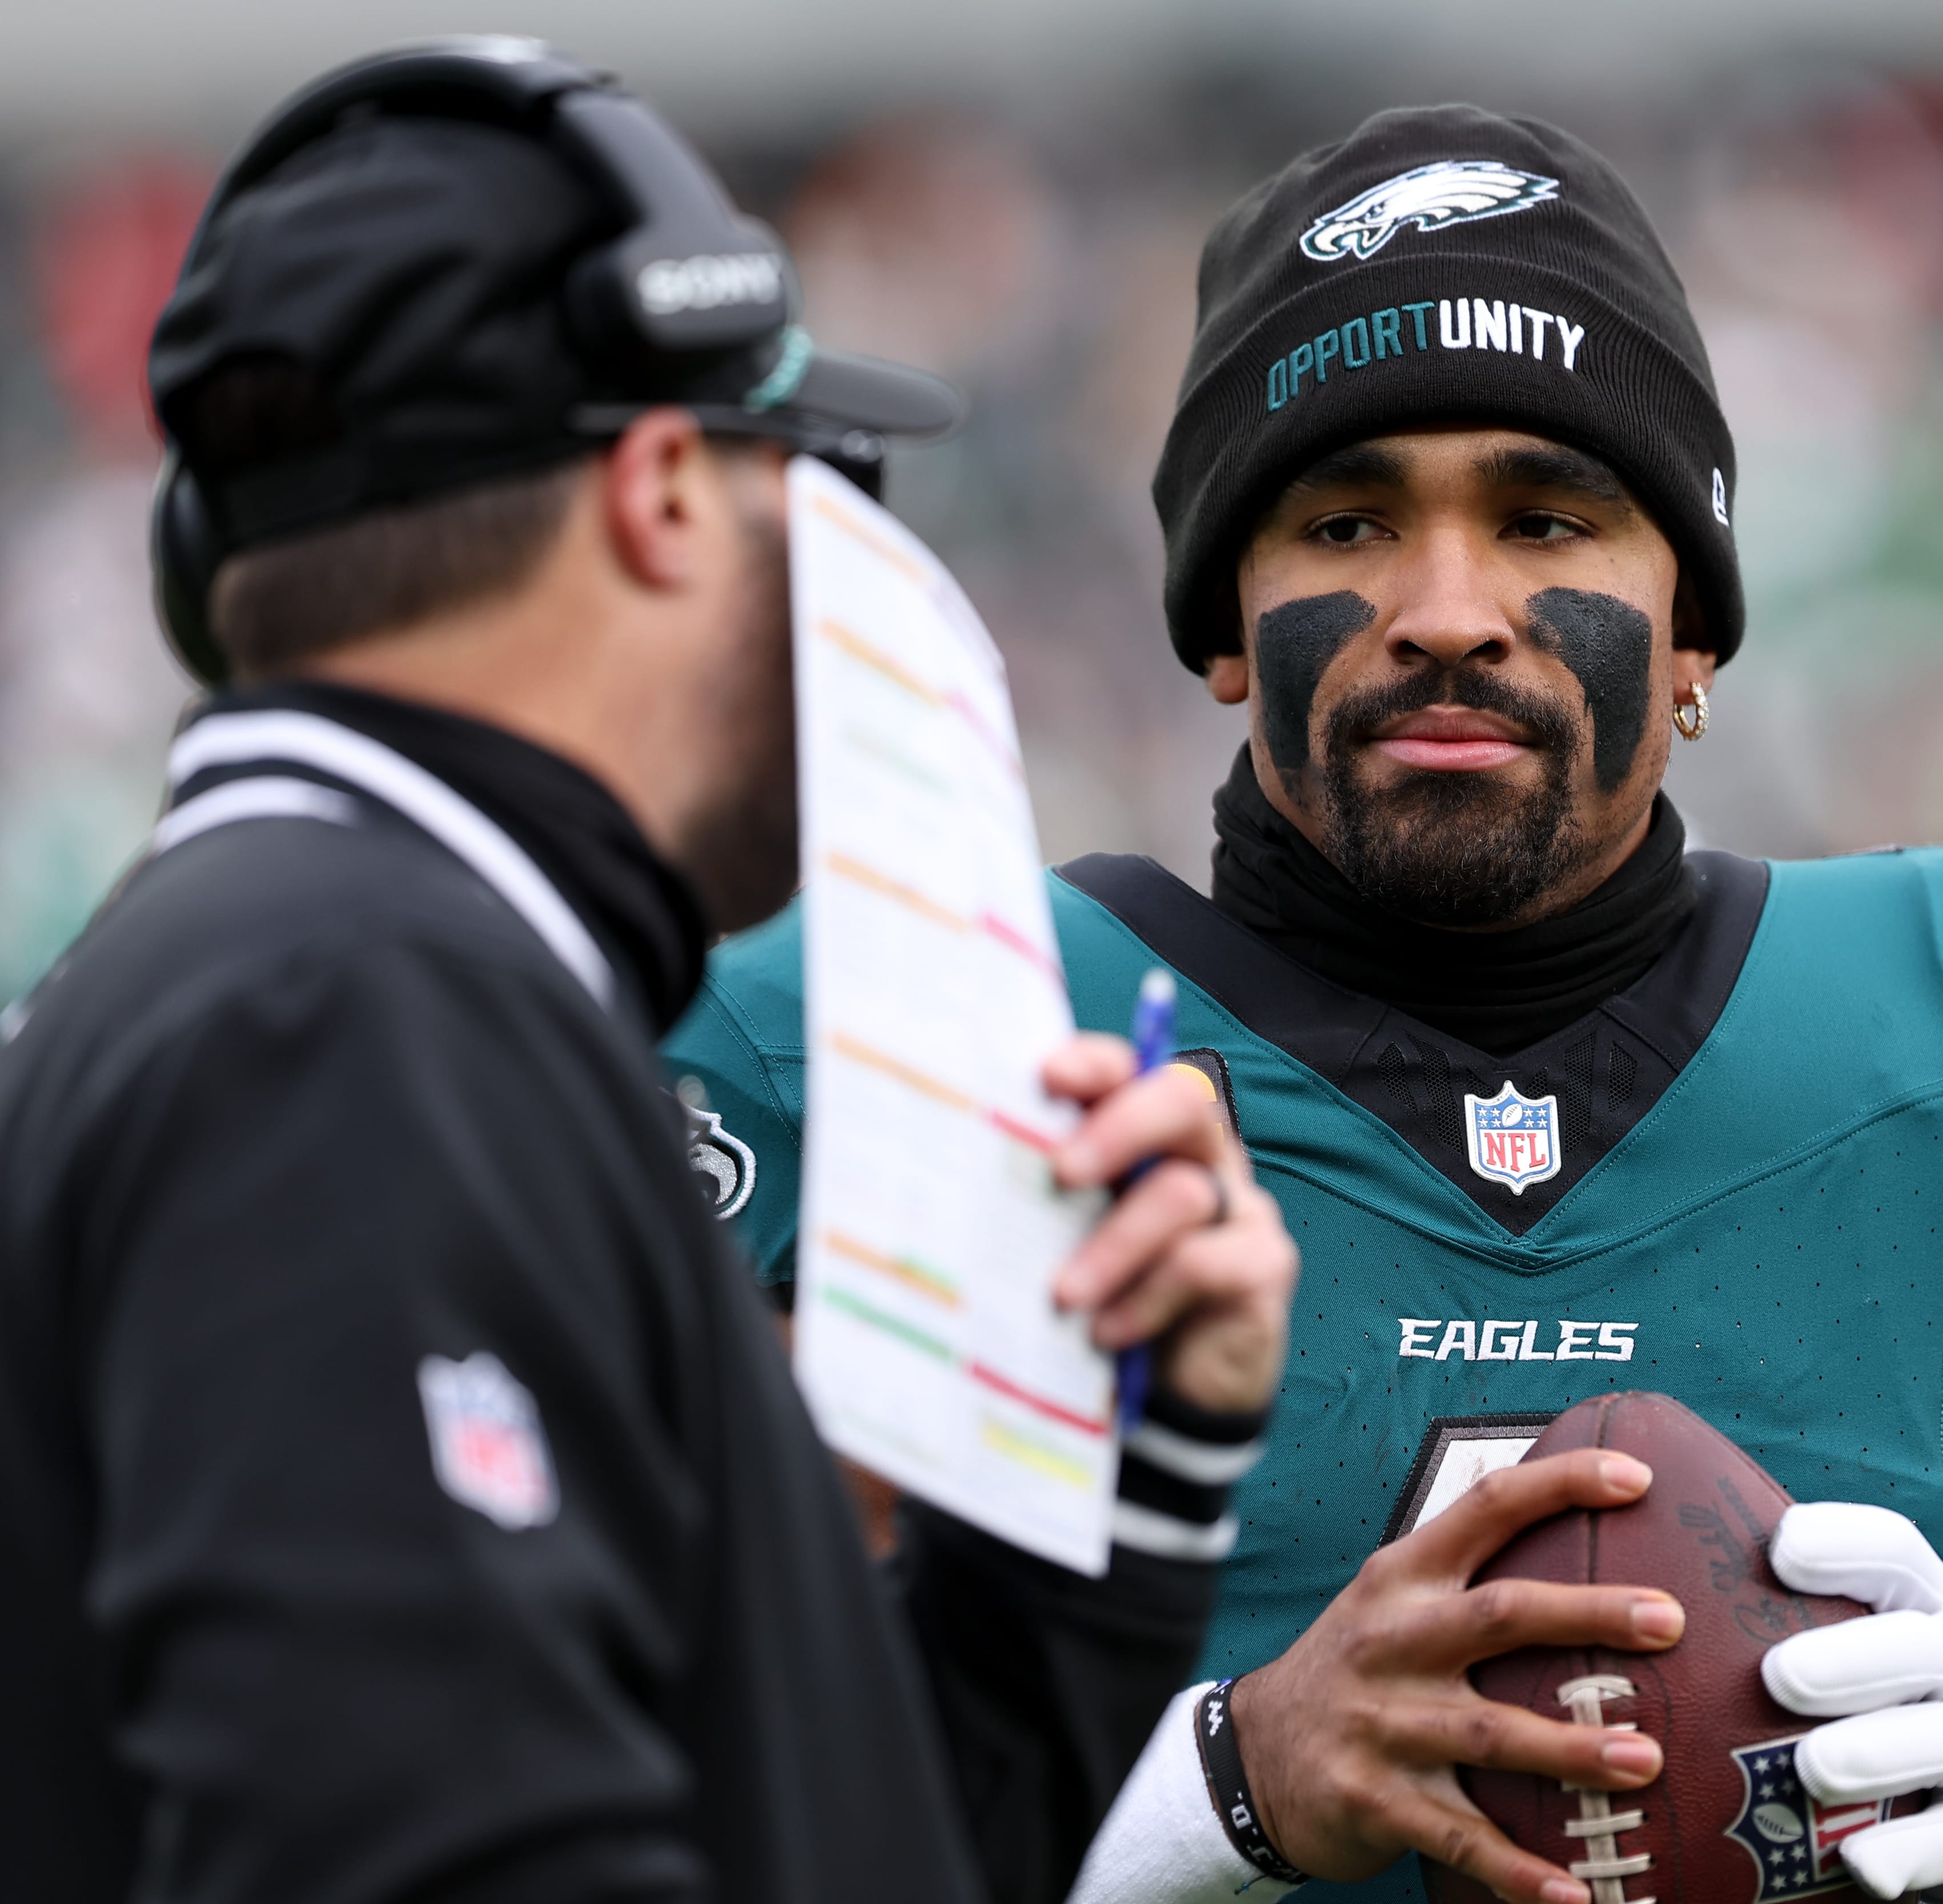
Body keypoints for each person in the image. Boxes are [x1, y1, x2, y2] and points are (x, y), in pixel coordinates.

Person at [664, 107, 1943, 1904]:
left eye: (1545, 516)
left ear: (1694, 631)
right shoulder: (912, 1042)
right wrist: (1222, 1791)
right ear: (1217, 621)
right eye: (1346, 516)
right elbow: (636, 1825)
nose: (1446, 609)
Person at [0, 39, 1296, 1904]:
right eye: (827, 490)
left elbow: (846, 1849)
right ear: (666, 493)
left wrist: (1117, 1467)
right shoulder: (350, 1006)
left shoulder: (322, 967)